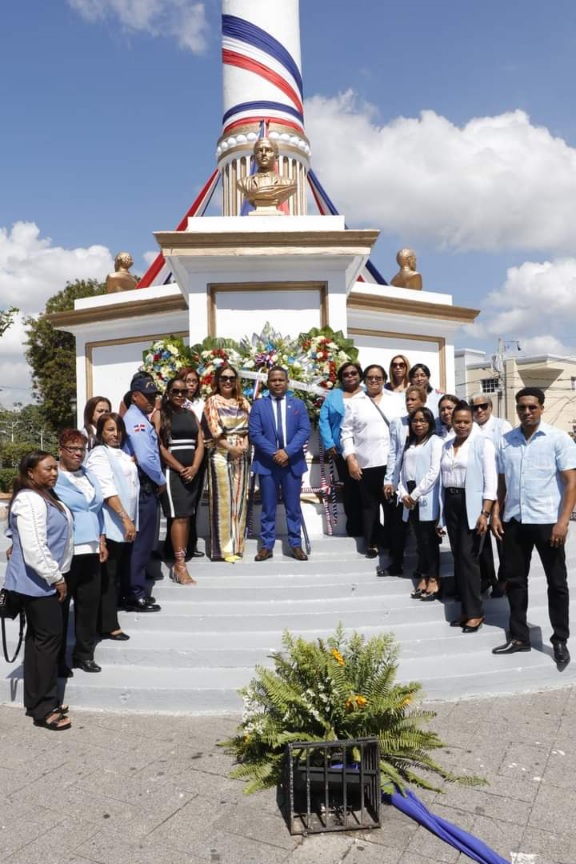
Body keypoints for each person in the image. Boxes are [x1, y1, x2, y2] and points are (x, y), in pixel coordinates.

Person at [491, 387, 576, 667]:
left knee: (557, 583)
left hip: (548, 523)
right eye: (522, 408)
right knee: (515, 582)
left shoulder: (558, 439)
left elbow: (571, 483)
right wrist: (496, 513)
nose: (526, 412)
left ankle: (560, 640)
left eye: (532, 407)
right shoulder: (506, 441)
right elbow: (502, 483)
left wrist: (563, 522)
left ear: (541, 407)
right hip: (515, 522)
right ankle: (519, 638)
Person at [3, 451, 73, 730]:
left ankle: (37, 701)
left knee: (38, 642)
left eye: (55, 468)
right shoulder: (30, 499)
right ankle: (44, 708)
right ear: (30, 472)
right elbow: (34, 548)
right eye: (48, 469)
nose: (54, 473)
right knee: (47, 644)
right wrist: (56, 577)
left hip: (41, 581)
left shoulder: (45, 496)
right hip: (38, 584)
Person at [438, 402, 497, 632]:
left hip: (472, 505)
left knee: (468, 558)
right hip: (451, 503)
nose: (462, 425)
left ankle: (475, 612)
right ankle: (466, 609)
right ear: (451, 422)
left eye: (466, 421)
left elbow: (490, 482)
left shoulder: (482, 444)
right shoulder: (446, 445)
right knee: (458, 558)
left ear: (472, 422)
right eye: (458, 421)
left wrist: (485, 512)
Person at [55, 430, 107, 675]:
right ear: (61, 450)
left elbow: (97, 511)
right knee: (61, 608)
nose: (77, 453)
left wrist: (102, 539)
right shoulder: (53, 477)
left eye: (81, 449)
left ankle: (83, 655)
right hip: (66, 551)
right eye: (72, 448)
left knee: (88, 606)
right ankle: (57, 660)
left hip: (92, 549)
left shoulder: (89, 475)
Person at [249, 366, 311, 561]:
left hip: (292, 463)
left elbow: (304, 430)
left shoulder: (298, 404)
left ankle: (295, 545)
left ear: (287, 382)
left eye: (280, 380)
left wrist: (287, 452)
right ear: (268, 383)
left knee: (293, 507)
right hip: (268, 464)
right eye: (273, 380)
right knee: (268, 507)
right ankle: (266, 546)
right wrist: (275, 453)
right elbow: (255, 434)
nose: (277, 383)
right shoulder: (259, 405)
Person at [86, 413, 138, 640]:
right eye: (109, 430)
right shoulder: (99, 454)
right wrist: (125, 519)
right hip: (111, 523)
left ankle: (106, 620)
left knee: (114, 574)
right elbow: (106, 490)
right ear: (100, 432)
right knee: (108, 575)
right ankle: (108, 625)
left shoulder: (120, 453)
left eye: (118, 429)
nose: (115, 434)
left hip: (124, 524)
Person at [123, 377, 165, 611]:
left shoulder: (140, 418)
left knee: (142, 541)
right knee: (140, 542)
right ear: (135, 396)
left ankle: (134, 589)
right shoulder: (135, 421)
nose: (152, 401)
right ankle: (135, 594)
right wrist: (161, 480)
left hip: (143, 486)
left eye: (154, 396)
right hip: (144, 486)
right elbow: (146, 457)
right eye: (147, 397)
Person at [341, 364, 391, 558]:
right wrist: (350, 458)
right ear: (364, 380)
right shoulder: (355, 402)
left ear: (384, 379)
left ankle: (392, 542)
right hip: (365, 462)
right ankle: (372, 543)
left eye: (378, 377)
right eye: (370, 377)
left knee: (391, 507)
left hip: (390, 463)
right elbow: (346, 432)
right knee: (369, 506)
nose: (374, 380)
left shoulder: (395, 401)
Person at [202, 365, 251, 562]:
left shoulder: (243, 401)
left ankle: (238, 545)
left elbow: (251, 426)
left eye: (231, 378)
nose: (228, 381)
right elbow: (214, 431)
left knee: (239, 500)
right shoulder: (212, 401)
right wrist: (231, 448)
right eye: (224, 378)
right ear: (217, 380)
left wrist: (244, 445)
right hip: (221, 453)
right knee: (223, 500)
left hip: (242, 452)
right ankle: (223, 549)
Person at [158, 377, 205, 583]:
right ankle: (179, 564)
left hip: (191, 472)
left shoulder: (191, 413)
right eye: (175, 391)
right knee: (178, 517)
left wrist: (194, 467)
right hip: (173, 472)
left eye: (184, 392)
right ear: (168, 392)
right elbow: (159, 447)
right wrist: (179, 468)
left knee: (186, 516)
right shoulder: (160, 415)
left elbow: (200, 443)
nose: (179, 395)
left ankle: (181, 560)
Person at [470, 392, 513, 597]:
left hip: (500, 489)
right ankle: (488, 576)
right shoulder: (470, 427)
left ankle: (504, 579)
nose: (479, 410)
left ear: (490, 407)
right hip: (480, 490)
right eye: (475, 407)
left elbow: (507, 459)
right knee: (482, 536)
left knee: (501, 536)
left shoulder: (502, 426)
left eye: (483, 406)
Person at [382, 385, 427, 576]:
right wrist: (389, 479)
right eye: (407, 399)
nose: (409, 403)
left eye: (414, 399)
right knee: (397, 525)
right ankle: (396, 562)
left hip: (423, 481)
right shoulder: (397, 423)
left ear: (422, 402)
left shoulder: (430, 422)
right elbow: (393, 452)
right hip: (402, 481)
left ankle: (423, 566)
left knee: (422, 528)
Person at [398, 408, 442, 600]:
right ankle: (424, 576)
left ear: (430, 422)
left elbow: (434, 471)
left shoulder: (436, 442)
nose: (419, 424)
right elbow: (400, 471)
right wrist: (403, 493)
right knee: (419, 540)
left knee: (429, 540)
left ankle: (434, 578)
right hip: (409, 495)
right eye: (415, 421)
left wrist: (415, 494)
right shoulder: (410, 443)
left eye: (423, 420)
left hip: (425, 496)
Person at [318, 361, 364, 537]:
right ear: (340, 378)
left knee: (367, 492)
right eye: (346, 374)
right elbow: (324, 421)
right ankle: (354, 527)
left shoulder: (368, 393)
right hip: (341, 451)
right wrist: (329, 444)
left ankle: (372, 529)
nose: (350, 376)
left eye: (353, 373)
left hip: (366, 450)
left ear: (359, 375)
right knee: (350, 491)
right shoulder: (334, 396)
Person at [236, 138, 297, 210]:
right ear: (254, 157)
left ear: (276, 157)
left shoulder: (288, 183)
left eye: (268, 150)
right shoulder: (244, 183)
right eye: (259, 151)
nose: (264, 154)